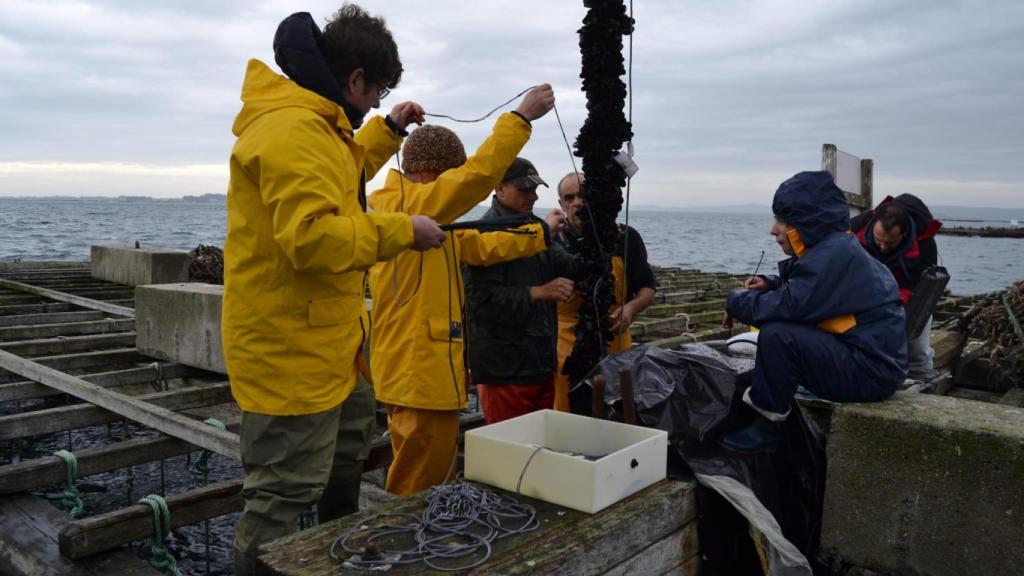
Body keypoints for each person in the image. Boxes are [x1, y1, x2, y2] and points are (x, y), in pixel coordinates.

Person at [222, 7, 445, 574]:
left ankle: (335, 561)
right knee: (281, 493)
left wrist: (388, 129)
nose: (373, 102)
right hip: (287, 355)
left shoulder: (318, 124)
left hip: (333, 349)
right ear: (353, 79)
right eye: (377, 92)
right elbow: (312, 238)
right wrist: (404, 230)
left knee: (346, 461)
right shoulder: (294, 129)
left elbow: (338, 168)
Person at [367, 86, 556, 497]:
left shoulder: (426, 217)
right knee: (418, 484)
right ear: (433, 174)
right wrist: (519, 120)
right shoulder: (405, 205)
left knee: (429, 473)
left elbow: (480, 244)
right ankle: (409, 551)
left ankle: (419, 543)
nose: (455, 186)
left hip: (427, 375)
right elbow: (476, 178)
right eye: (450, 176)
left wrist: (539, 234)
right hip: (418, 374)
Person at [721, 171, 907, 453]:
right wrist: (772, 283)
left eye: (782, 221)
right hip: (874, 364)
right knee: (781, 330)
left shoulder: (831, 256)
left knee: (778, 334)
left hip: (869, 372)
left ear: (805, 223)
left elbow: (790, 305)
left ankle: (767, 425)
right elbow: (813, 291)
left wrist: (735, 300)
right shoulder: (836, 248)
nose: (773, 230)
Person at [463, 158, 579, 424]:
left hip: (540, 364)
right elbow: (482, 302)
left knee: (539, 446)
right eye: (524, 189)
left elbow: (570, 265)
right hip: (503, 371)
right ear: (500, 188)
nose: (534, 196)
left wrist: (591, 233)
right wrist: (540, 292)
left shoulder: (539, 228)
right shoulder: (481, 234)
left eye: (535, 189)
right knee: (509, 452)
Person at [553, 172, 657, 413]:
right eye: (569, 197)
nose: (577, 202)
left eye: (584, 195)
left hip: (616, 343)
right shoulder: (552, 240)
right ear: (561, 204)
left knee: (619, 412)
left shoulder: (625, 237)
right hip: (564, 350)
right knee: (566, 415)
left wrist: (631, 307)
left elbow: (648, 287)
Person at [851, 194, 942, 381]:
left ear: (905, 233)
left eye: (890, 242)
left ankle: (923, 381)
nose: (883, 246)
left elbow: (920, 290)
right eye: (878, 240)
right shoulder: (855, 228)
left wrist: (888, 305)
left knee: (917, 349)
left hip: (908, 295)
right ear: (872, 226)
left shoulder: (925, 247)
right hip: (864, 291)